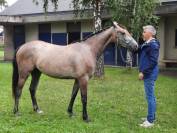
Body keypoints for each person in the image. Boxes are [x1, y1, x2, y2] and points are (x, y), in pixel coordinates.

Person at [138, 25, 160, 128]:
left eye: (144, 31)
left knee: (150, 97)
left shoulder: (153, 45)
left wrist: (143, 72)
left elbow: (153, 62)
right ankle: (151, 116)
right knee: (151, 96)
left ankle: (150, 120)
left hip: (149, 74)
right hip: (149, 73)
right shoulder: (148, 43)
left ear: (150, 33)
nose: (142, 33)